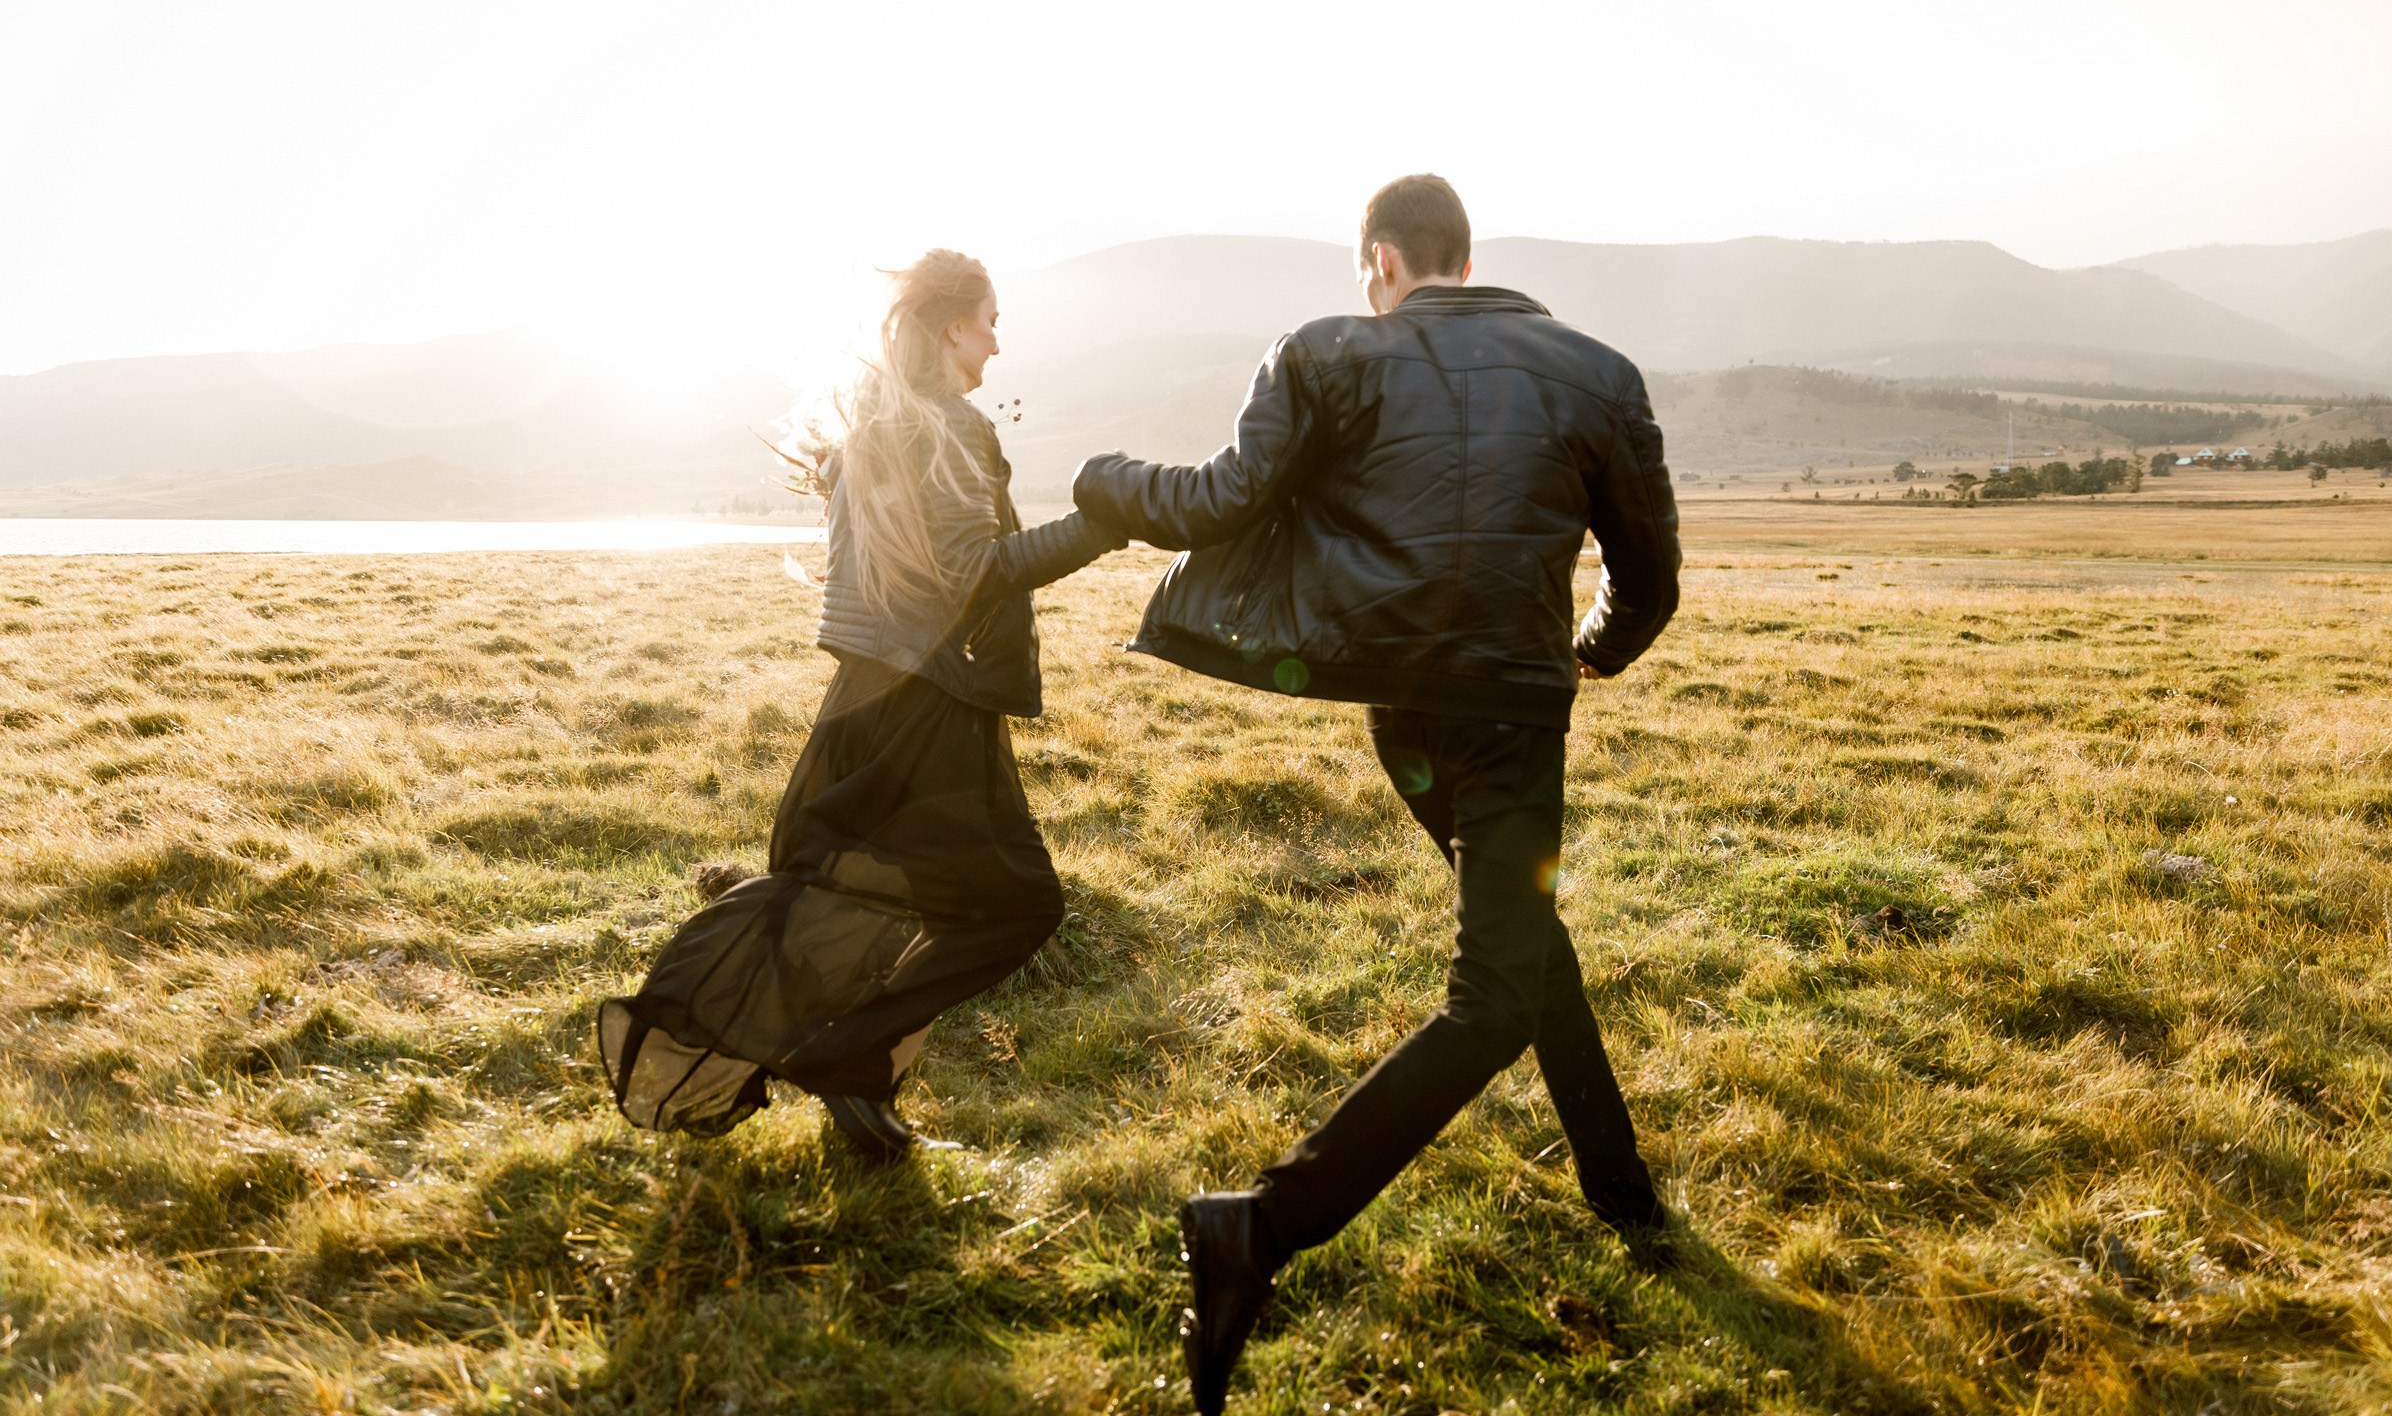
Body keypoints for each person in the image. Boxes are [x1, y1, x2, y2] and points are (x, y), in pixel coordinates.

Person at [1072, 176, 1682, 1414]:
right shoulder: (1598, 371)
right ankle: (1262, 1226)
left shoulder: (1327, 353)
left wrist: (1102, 480)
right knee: (1499, 982)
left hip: (1401, 710)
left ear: (1384, 260)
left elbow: (1218, 499)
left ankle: (1621, 1189)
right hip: (1511, 709)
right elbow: (1651, 570)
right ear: (1464, 256)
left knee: (1518, 942)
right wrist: (1597, 649)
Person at [598, 249, 1124, 1158]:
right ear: (954, 324)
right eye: (991, 320)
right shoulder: (949, 427)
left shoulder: (881, 422)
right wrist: (1102, 524)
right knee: (1015, 907)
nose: (998, 344)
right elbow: (976, 576)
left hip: (870, 697)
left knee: (869, 888)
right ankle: (846, 1056)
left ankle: (860, 1085)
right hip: (927, 706)